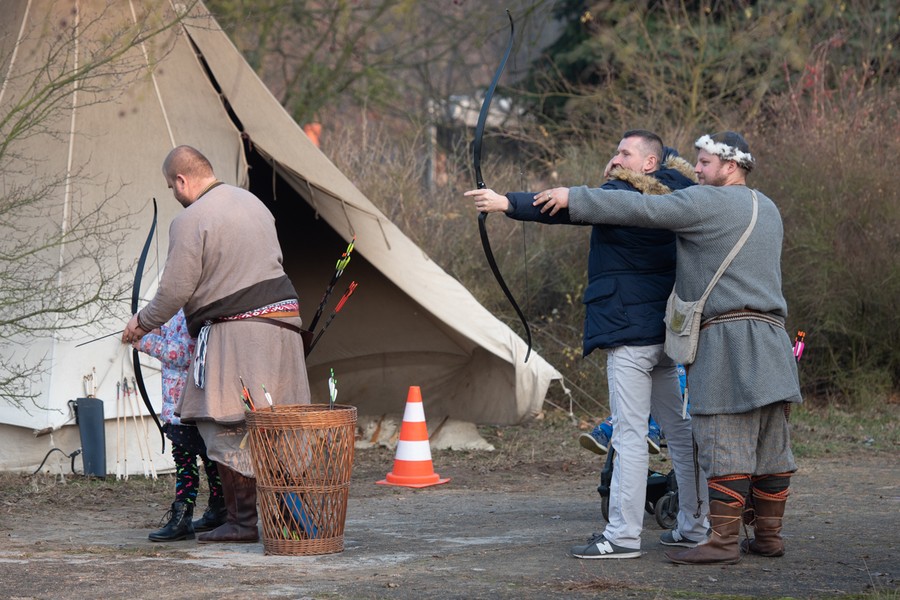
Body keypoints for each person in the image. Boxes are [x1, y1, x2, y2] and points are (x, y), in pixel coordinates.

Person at [525, 131, 802, 565]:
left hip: (729, 340)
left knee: (722, 439)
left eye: (705, 163)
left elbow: (642, 208)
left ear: (730, 167)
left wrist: (572, 196)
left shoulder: (706, 201)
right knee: (771, 444)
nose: (697, 171)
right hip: (773, 340)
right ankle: (767, 538)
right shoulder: (768, 208)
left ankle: (723, 541)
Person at [465, 130, 709, 559]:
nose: (614, 159)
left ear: (649, 164)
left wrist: (505, 203)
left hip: (629, 335)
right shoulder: (681, 195)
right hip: (665, 337)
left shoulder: (619, 196)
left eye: (623, 152)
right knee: (680, 431)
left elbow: (566, 206)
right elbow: (618, 187)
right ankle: (694, 525)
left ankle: (622, 536)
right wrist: (623, 169)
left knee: (630, 435)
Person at [122, 145, 311, 544]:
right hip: (285, 329)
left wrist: (142, 323)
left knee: (222, 422)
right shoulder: (254, 203)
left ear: (181, 180)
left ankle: (242, 523)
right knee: (277, 425)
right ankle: (289, 520)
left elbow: (174, 291)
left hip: (238, 331)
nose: (174, 194)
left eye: (171, 187)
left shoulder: (190, 219)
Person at [133, 309, 226, 541]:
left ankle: (204, 512)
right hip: (179, 407)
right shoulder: (176, 311)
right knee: (191, 460)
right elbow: (173, 338)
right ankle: (203, 512)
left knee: (207, 460)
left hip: (192, 406)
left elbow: (185, 353)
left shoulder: (196, 311)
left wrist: (143, 341)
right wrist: (154, 328)